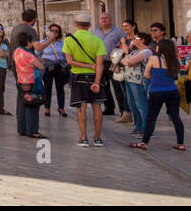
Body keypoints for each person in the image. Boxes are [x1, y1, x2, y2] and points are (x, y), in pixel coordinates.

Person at [130, 36, 185, 151]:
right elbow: (175, 76)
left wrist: (154, 78)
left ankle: (144, 142)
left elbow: (146, 74)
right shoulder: (175, 61)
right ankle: (180, 143)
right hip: (173, 91)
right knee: (175, 117)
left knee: (151, 118)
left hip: (157, 91)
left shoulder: (155, 59)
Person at [64, 12, 106, 147]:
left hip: (78, 77)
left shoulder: (69, 40)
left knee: (81, 108)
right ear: (89, 25)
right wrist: (97, 82)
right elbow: (100, 64)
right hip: (94, 77)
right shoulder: (97, 40)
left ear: (76, 24)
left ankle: (84, 138)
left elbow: (69, 61)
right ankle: (98, 138)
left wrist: (85, 65)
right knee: (97, 107)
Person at [92, 12, 127, 120]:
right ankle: (109, 108)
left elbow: (124, 44)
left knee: (118, 87)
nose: (104, 20)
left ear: (110, 19)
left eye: (106, 18)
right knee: (103, 86)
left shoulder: (118, 31)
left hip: (114, 63)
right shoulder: (95, 32)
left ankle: (123, 110)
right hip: (100, 63)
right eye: (102, 18)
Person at [12, 31, 47, 139]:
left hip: (21, 81)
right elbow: (40, 67)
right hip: (31, 82)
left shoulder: (17, 51)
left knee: (23, 105)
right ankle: (32, 131)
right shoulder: (28, 54)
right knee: (32, 106)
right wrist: (41, 62)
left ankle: (22, 129)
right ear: (28, 42)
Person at [120, 30, 153, 137]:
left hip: (139, 81)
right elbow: (124, 60)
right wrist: (130, 62)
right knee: (132, 104)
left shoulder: (146, 51)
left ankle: (146, 129)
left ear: (142, 40)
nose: (133, 40)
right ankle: (138, 126)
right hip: (129, 79)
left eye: (136, 38)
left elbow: (129, 62)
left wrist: (130, 62)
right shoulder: (135, 51)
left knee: (141, 105)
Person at [40, 23, 68, 118]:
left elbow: (66, 55)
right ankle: (47, 108)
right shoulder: (43, 42)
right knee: (47, 88)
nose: (54, 32)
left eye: (56, 31)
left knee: (60, 88)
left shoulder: (62, 43)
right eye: (52, 30)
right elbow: (37, 53)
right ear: (48, 31)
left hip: (59, 67)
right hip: (47, 67)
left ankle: (61, 108)